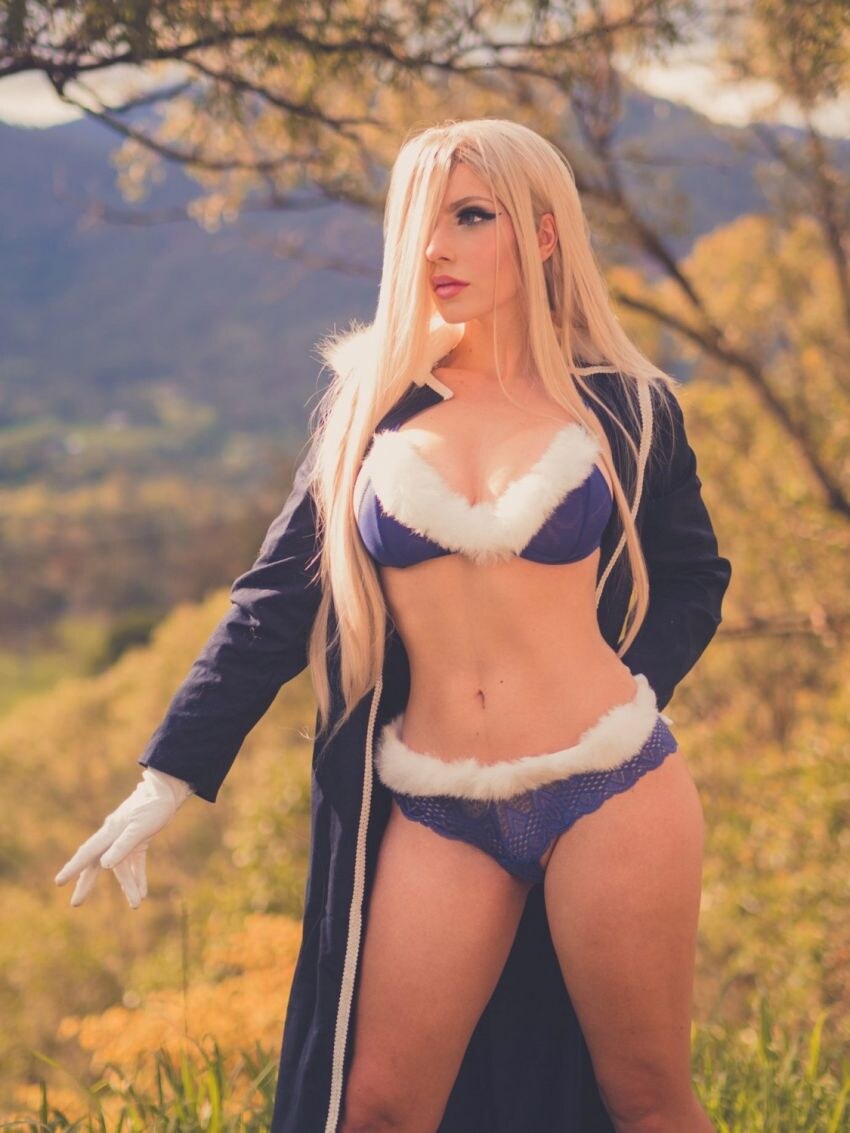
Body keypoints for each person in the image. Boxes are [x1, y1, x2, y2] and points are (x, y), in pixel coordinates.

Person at [55, 118, 731, 1133]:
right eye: (420, 220)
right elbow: (273, 601)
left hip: (611, 785)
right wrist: (168, 774)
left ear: (544, 233)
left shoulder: (627, 408)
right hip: (437, 798)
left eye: (471, 217)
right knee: (375, 1107)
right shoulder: (370, 409)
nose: (434, 248)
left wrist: (631, 692)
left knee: (646, 1099)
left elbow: (693, 575)